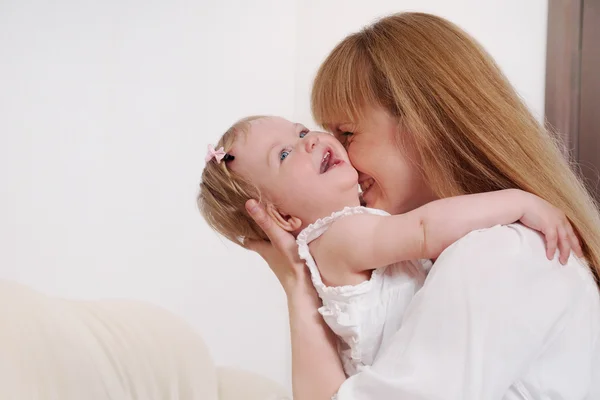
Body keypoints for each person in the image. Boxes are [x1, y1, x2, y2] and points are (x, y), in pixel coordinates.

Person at [242, 12, 600, 400]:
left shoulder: (498, 253)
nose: (335, 150)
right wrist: (298, 286)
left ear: (422, 122)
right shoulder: (451, 261)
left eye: (347, 133)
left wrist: (298, 288)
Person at [198, 115, 579, 378]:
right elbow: (426, 230)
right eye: (283, 155)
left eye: (300, 132)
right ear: (283, 219)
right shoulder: (335, 238)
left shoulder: (355, 230)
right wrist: (519, 202)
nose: (310, 140)